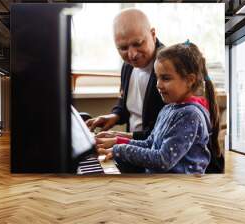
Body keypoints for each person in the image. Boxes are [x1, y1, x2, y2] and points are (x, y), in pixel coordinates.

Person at [97, 42, 223, 174]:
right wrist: (117, 144)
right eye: (157, 77)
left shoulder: (190, 115)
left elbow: (163, 160)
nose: (158, 84)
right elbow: (150, 143)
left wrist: (121, 150)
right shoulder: (167, 109)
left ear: (189, 80)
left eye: (166, 78)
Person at [86, 8, 165, 142]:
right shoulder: (128, 65)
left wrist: (121, 138)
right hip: (134, 149)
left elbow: (163, 133)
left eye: (137, 43)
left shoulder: (170, 69)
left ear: (153, 34)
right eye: (123, 48)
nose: (132, 54)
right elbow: (125, 105)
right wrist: (115, 116)